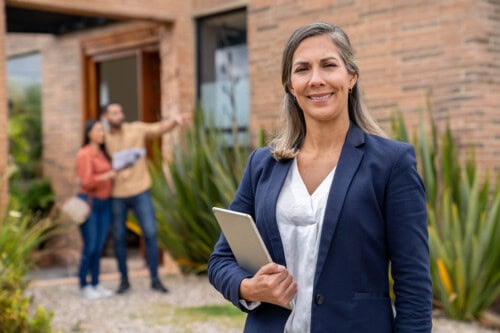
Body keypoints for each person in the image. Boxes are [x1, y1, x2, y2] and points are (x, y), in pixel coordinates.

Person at [208, 22, 432, 332]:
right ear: (290, 84)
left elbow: (414, 281)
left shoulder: (391, 163)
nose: (316, 80)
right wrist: (249, 288)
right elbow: (221, 259)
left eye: (329, 65)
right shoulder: (262, 164)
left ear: (350, 77)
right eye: (302, 69)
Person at [101, 102, 188, 294]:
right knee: (119, 238)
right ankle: (124, 281)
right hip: (117, 195)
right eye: (114, 112)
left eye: (120, 111)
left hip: (141, 190)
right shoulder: (104, 138)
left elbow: (158, 129)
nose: (119, 115)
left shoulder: (136, 129)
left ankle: (155, 279)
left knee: (150, 233)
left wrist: (175, 121)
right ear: (106, 117)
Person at [75, 120, 116, 299]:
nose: (102, 133)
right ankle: (84, 284)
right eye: (98, 130)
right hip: (89, 203)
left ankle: (96, 283)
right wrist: (108, 175)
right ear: (89, 132)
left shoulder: (102, 153)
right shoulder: (85, 154)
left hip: (104, 204)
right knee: (90, 246)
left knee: (99, 247)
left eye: (103, 130)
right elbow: (86, 182)